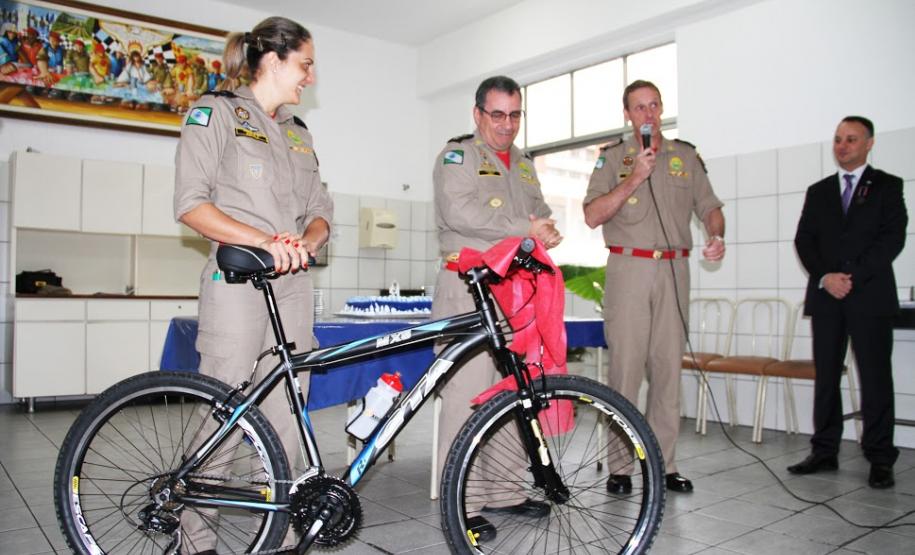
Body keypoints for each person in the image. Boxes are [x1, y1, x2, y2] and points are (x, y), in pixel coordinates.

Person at [173, 16, 332, 554]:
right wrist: (266, 241)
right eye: (305, 64)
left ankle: (281, 527)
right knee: (224, 403)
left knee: (288, 408)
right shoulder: (215, 113)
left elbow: (320, 212)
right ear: (274, 58)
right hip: (237, 284)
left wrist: (308, 239)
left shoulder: (298, 134)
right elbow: (192, 205)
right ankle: (194, 535)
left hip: (292, 287)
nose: (310, 76)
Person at [432, 75, 562, 535]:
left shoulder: (524, 164)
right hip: (466, 285)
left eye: (515, 115)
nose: (507, 125)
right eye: (498, 114)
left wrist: (543, 229)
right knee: (466, 395)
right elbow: (460, 213)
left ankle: (505, 491)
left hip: (512, 291)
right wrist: (524, 226)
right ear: (478, 114)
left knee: (512, 389)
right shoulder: (458, 156)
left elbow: (539, 209)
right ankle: (461, 503)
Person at [583, 80, 725, 495]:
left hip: (674, 271)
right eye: (638, 107)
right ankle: (621, 467)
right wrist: (633, 178)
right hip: (629, 267)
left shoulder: (686, 156)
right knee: (625, 370)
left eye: (654, 106)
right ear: (627, 114)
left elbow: (710, 207)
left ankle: (664, 464)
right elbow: (592, 215)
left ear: (662, 109)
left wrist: (716, 235)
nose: (648, 114)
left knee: (667, 370)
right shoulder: (611, 158)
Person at [789, 116, 907, 489]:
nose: (842, 145)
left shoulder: (887, 186)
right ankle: (824, 450)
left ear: (869, 143)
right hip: (827, 298)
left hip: (869, 296)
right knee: (826, 378)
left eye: (851, 139)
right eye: (838, 139)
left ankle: (880, 457)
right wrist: (826, 277)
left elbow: (892, 239)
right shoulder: (819, 190)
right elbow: (804, 240)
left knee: (874, 379)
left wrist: (850, 276)